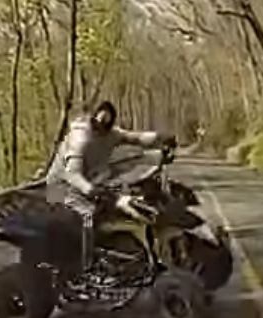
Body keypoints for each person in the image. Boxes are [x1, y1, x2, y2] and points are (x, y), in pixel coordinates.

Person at [43, 101, 177, 274]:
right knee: (87, 216)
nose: (101, 125)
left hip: (90, 184)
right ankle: (86, 267)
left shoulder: (111, 134)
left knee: (124, 205)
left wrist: (160, 137)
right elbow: (72, 174)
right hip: (60, 188)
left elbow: (136, 138)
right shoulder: (81, 138)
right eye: (99, 120)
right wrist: (90, 190)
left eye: (106, 121)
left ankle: (121, 254)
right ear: (93, 118)